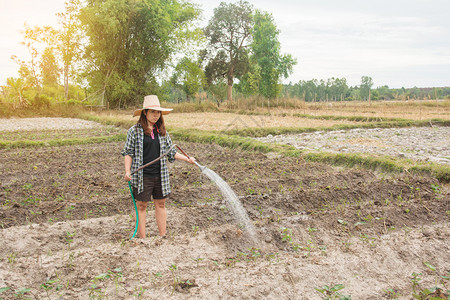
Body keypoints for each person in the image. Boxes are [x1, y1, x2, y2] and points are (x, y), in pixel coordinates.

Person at [121, 95, 195, 238]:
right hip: (142, 176)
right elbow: (128, 153)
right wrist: (127, 171)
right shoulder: (134, 131)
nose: (156, 115)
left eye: (158, 112)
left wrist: (187, 158)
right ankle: (143, 239)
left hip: (160, 175)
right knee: (142, 206)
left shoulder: (161, 131)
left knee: (160, 204)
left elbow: (171, 152)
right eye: (153, 112)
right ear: (145, 112)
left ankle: (163, 237)